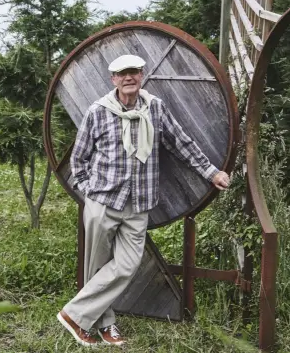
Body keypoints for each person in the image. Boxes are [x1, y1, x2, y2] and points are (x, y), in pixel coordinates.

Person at [57, 53, 230, 347]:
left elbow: (181, 143)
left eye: (134, 72)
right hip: (104, 202)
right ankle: (105, 325)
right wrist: (91, 192)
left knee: (126, 265)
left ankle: (74, 314)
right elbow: (79, 157)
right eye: (122, 73)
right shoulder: (98, 111)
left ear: (142, 76)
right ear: (113, 79)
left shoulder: (155, 108)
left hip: (139, 203)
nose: (129, 77)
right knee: (96, 268)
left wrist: (210, 171)